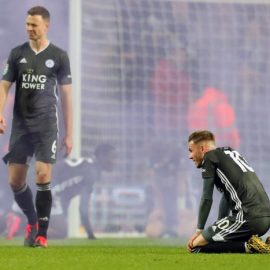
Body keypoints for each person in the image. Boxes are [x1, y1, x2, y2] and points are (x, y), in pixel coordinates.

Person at [0, 6, 73, 247]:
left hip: (46, 127)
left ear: (46, 26)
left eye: (34, 25)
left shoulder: (59, 57)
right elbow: (3, 86)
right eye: (27, 24)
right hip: (21, 128)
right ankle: (31, 220)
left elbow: (66, 96)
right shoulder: (16, 54)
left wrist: (69, 133)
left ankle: (42, 234)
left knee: (43, 175)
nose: (29, 28)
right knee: (15, 181)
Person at [187, 130, 270, 253]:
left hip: (247, 218)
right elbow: (227, 197)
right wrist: (220, 226)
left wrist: (199, 230)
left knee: (195, 247)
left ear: (202, 149)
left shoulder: (209, 158)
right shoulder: (230, 152)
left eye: (191, 150)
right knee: (218, 241)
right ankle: (252, 245)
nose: (190, 156)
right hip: (265, 219)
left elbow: (206, 198)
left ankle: (250, 247)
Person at [49, 143, 117, 239]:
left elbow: (66, 191)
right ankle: (33, 232)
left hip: (45, 187)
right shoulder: (92, 173)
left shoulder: (89, 166)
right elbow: (83, 209)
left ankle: (33, 227)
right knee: (61, 232)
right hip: (48, 191)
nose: (115, 161)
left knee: (58, 229)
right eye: (112, 157)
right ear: (102, 156)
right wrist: (91, 235)